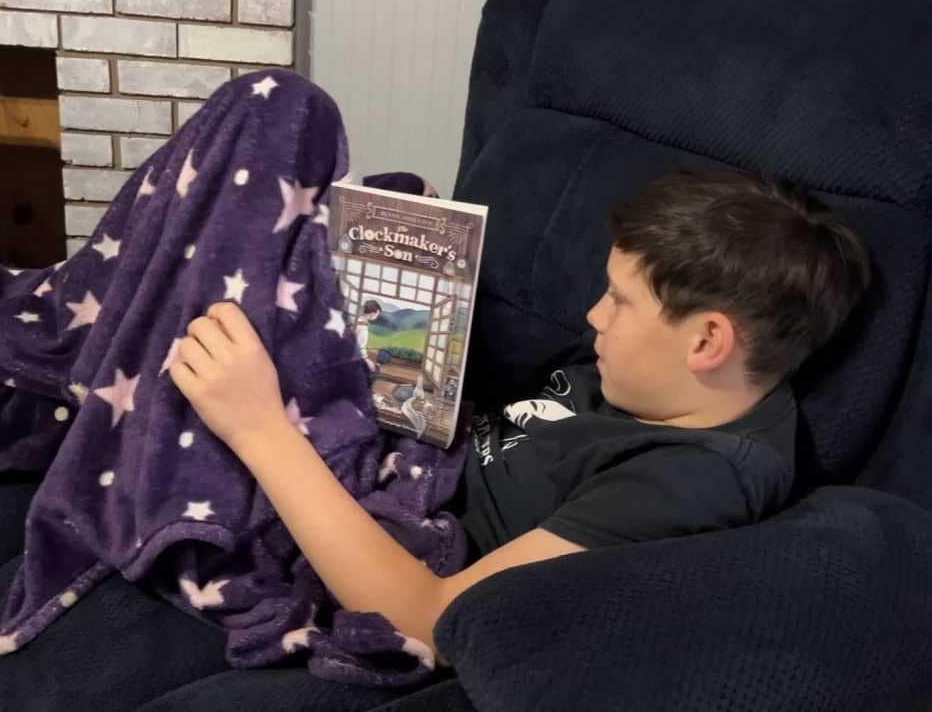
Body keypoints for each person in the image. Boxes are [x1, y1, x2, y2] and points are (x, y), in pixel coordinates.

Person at [171, 168, 872, 665]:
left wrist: (258, 428)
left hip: (391, 526)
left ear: (706, 341)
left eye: (620, 300)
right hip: (398, 439)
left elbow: (430, 617)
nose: (594, 314)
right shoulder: (651, 376)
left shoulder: (694, 480)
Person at [355, 300, 382, 374]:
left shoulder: (357, 320)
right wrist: (367, 360)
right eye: (377, 314)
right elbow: (360, 347)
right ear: (373, 313)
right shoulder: (363, 327)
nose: (377, 316)